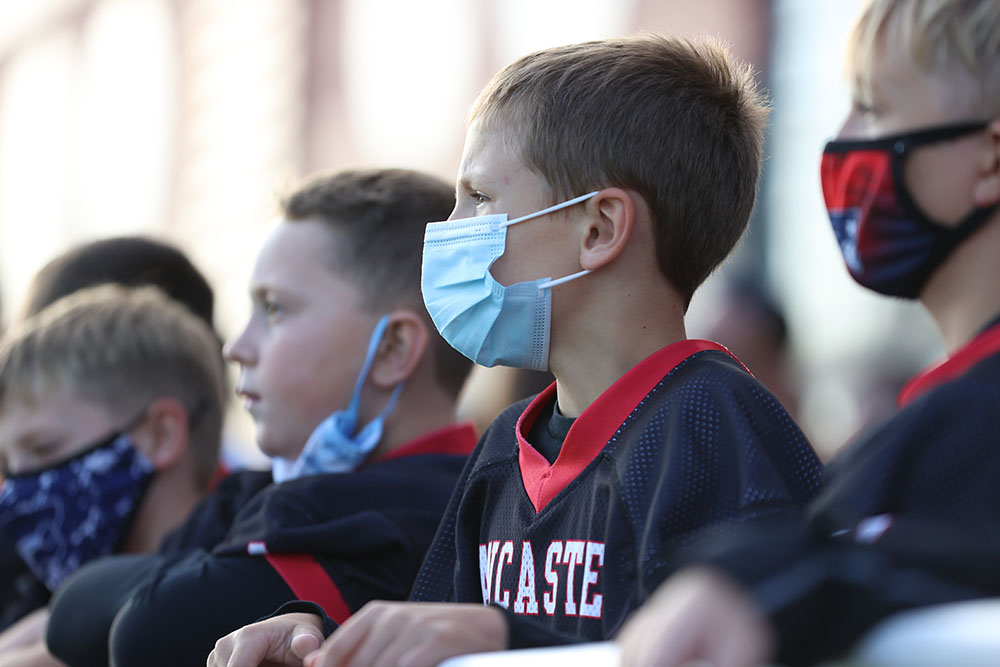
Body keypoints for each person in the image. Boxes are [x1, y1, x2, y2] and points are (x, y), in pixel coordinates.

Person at [208, 34, 824, 667]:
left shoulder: (711, 427)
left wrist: (503, 642)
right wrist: (324, 642)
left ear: (599, 229)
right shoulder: (505, 446)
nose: (448, 231)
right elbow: (438, 635)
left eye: (478, 198)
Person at [616, 1, 1000, 665]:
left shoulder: (975, 418)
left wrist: (777, 577)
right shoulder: (945, 411)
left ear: (991, 160)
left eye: (873, 107)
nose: (843, 139)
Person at [45, 168, 477, 667]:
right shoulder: (263, 492)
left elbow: (144, 624)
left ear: (393, 348)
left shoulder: (434, 514)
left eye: (274, 309)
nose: (236, 347)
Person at [0, 235, 226, 637]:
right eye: (9, 463)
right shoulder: (31, 605)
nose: (16, 490)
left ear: (160, 434)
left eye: (44, 448)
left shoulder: (256, 591)